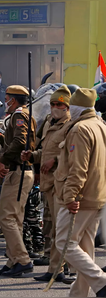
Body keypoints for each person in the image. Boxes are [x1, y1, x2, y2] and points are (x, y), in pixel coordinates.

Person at [52, 88, 106, 297]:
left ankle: (101, 282)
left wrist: (70, 196)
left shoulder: (80, 129)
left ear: (76, 107)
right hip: (97, 195)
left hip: (81, 197)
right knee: (85, 249)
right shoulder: (100, 125)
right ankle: (78, 295)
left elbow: (78, 168)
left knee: (65, 243)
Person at [21, 85, 72, 283]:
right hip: (49, 182)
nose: (54, 107)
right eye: (52, 104)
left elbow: (70, 153)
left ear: (67, 107)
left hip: (62, 182)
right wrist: (33, 156)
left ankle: (63, 269)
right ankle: (55, 269)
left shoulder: (71, 126)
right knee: (53, 230)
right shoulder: (51, 122)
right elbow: (47, 152)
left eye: (58, 104)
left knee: (62, 229)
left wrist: (55, 161)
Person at [0, 85, 36, 277]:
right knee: (15, 219)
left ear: (13, 100)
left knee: (6, 218)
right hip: (20, 172)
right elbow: (15, 141)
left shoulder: (18, 116)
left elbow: (21, 142)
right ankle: (13, 260)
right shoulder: (24, 116)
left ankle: (22, 260)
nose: (5, 102)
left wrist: (3, 161)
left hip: (17, 172)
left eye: (7, 98)